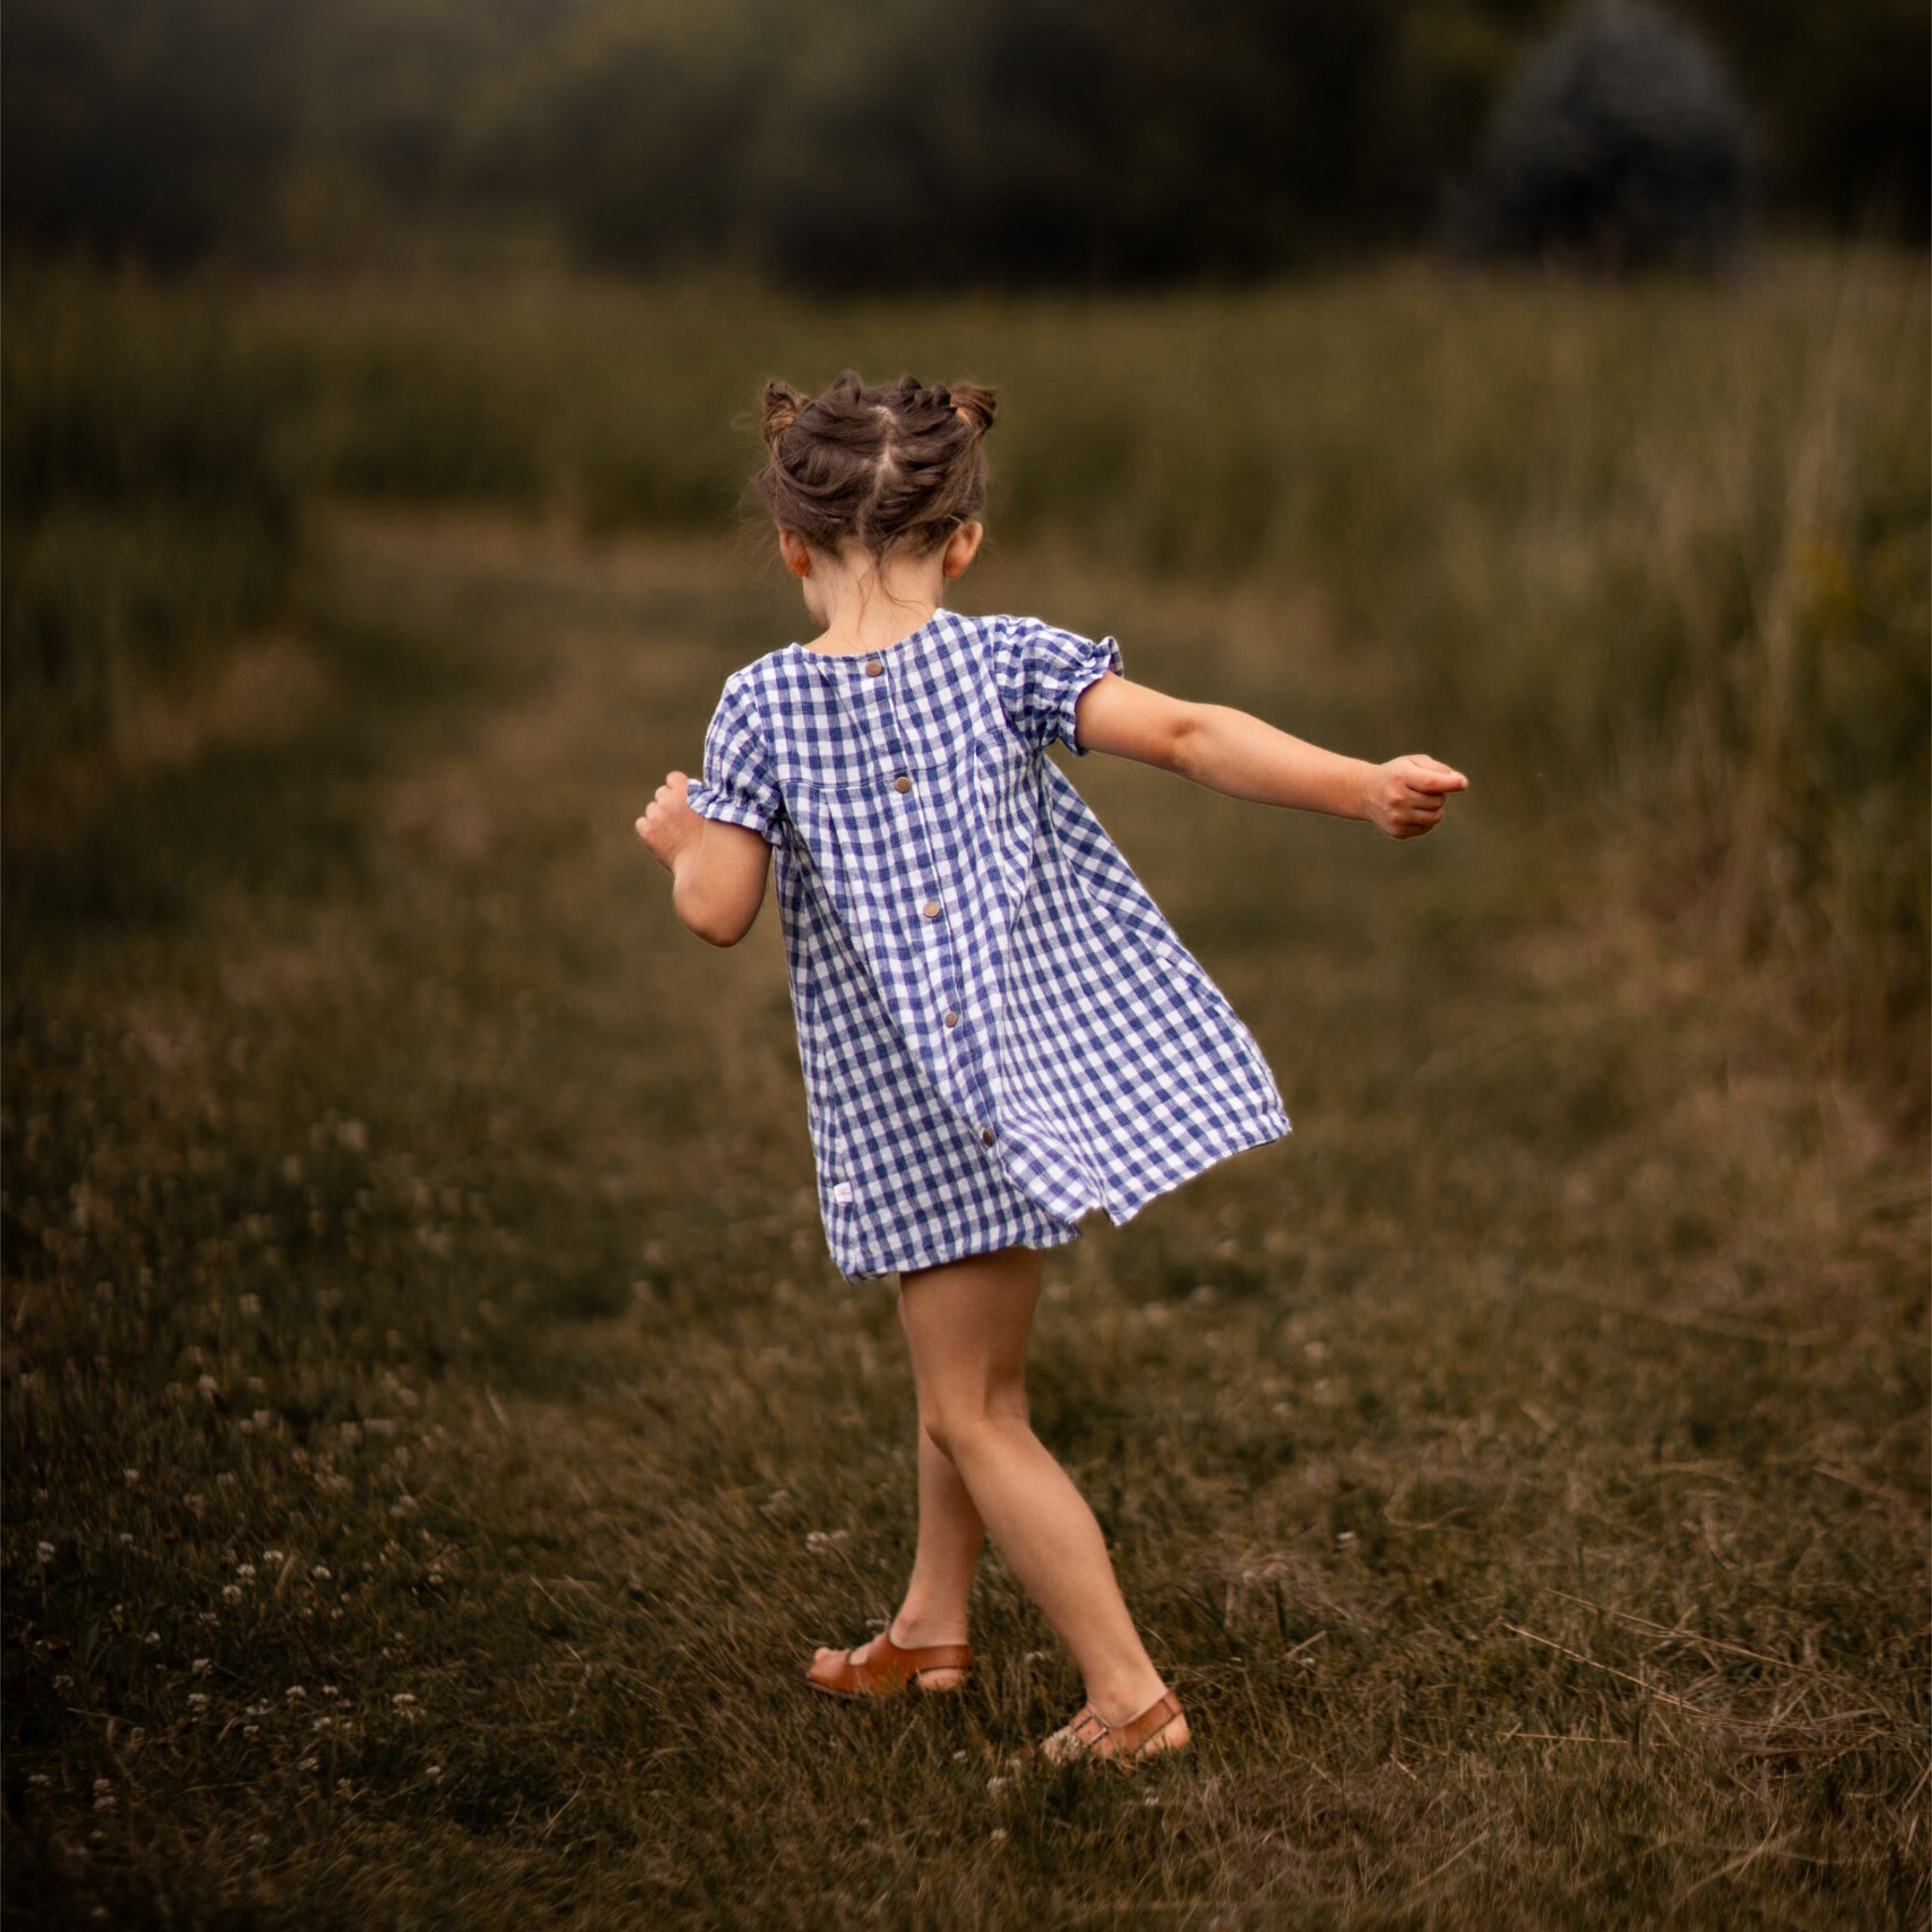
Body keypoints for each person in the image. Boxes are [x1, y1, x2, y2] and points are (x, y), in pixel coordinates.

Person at [636, 371, 1466, 1766]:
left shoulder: (762, 706)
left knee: (977, 1409)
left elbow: (719, 909)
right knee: (950, 1381)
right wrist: (1360, 781)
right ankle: (931, 1624)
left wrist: (677, 841)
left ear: (791, 544)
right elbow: (1195, 735)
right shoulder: (1006, 658)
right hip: (1017, 1083)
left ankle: (1131, 1699)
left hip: (915, 1115)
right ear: (962, 541)